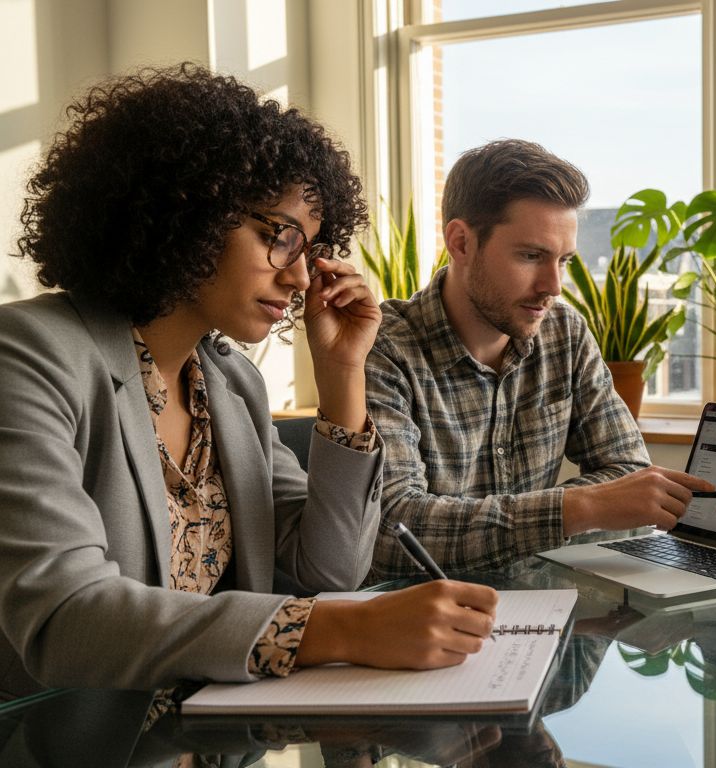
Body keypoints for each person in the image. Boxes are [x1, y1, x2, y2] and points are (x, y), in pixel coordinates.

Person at [0, 65, 498, 707]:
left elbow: (330, 570)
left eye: (310, 248)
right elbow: (66, 618)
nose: (298, 278)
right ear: (185, 208)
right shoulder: (30, 355)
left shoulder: (230, 384)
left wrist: (343, 375)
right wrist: (345, 628)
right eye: (278, 237)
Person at [364, 139, 712, 578]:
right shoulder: (383, 349)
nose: (554, 286)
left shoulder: (564, 333)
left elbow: (627, 468)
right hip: (417, 621)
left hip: (540, 606)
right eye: (531, 256)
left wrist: (575, 509)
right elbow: (393, 531)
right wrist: (577, 507)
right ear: (461, 242)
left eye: (564, 260)